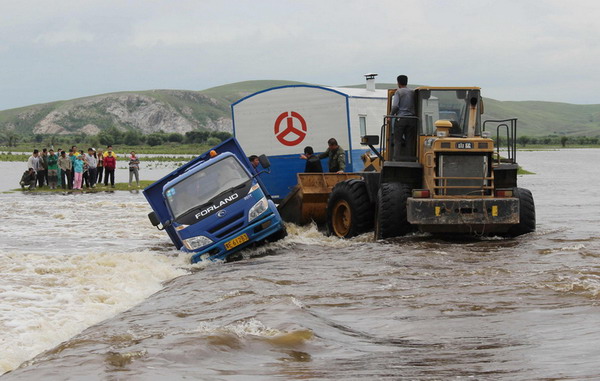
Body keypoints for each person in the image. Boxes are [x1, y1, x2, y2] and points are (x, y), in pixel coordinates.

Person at [390, 74, 417, 158]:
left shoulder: (398, 92)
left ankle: (396, 159)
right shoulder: (412, 92)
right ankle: (410, 160)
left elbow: (395, 106)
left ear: (398, 83)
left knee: (397, 140)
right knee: (410, 141)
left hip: (401, 119)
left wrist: (391, 115)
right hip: (412, 119)